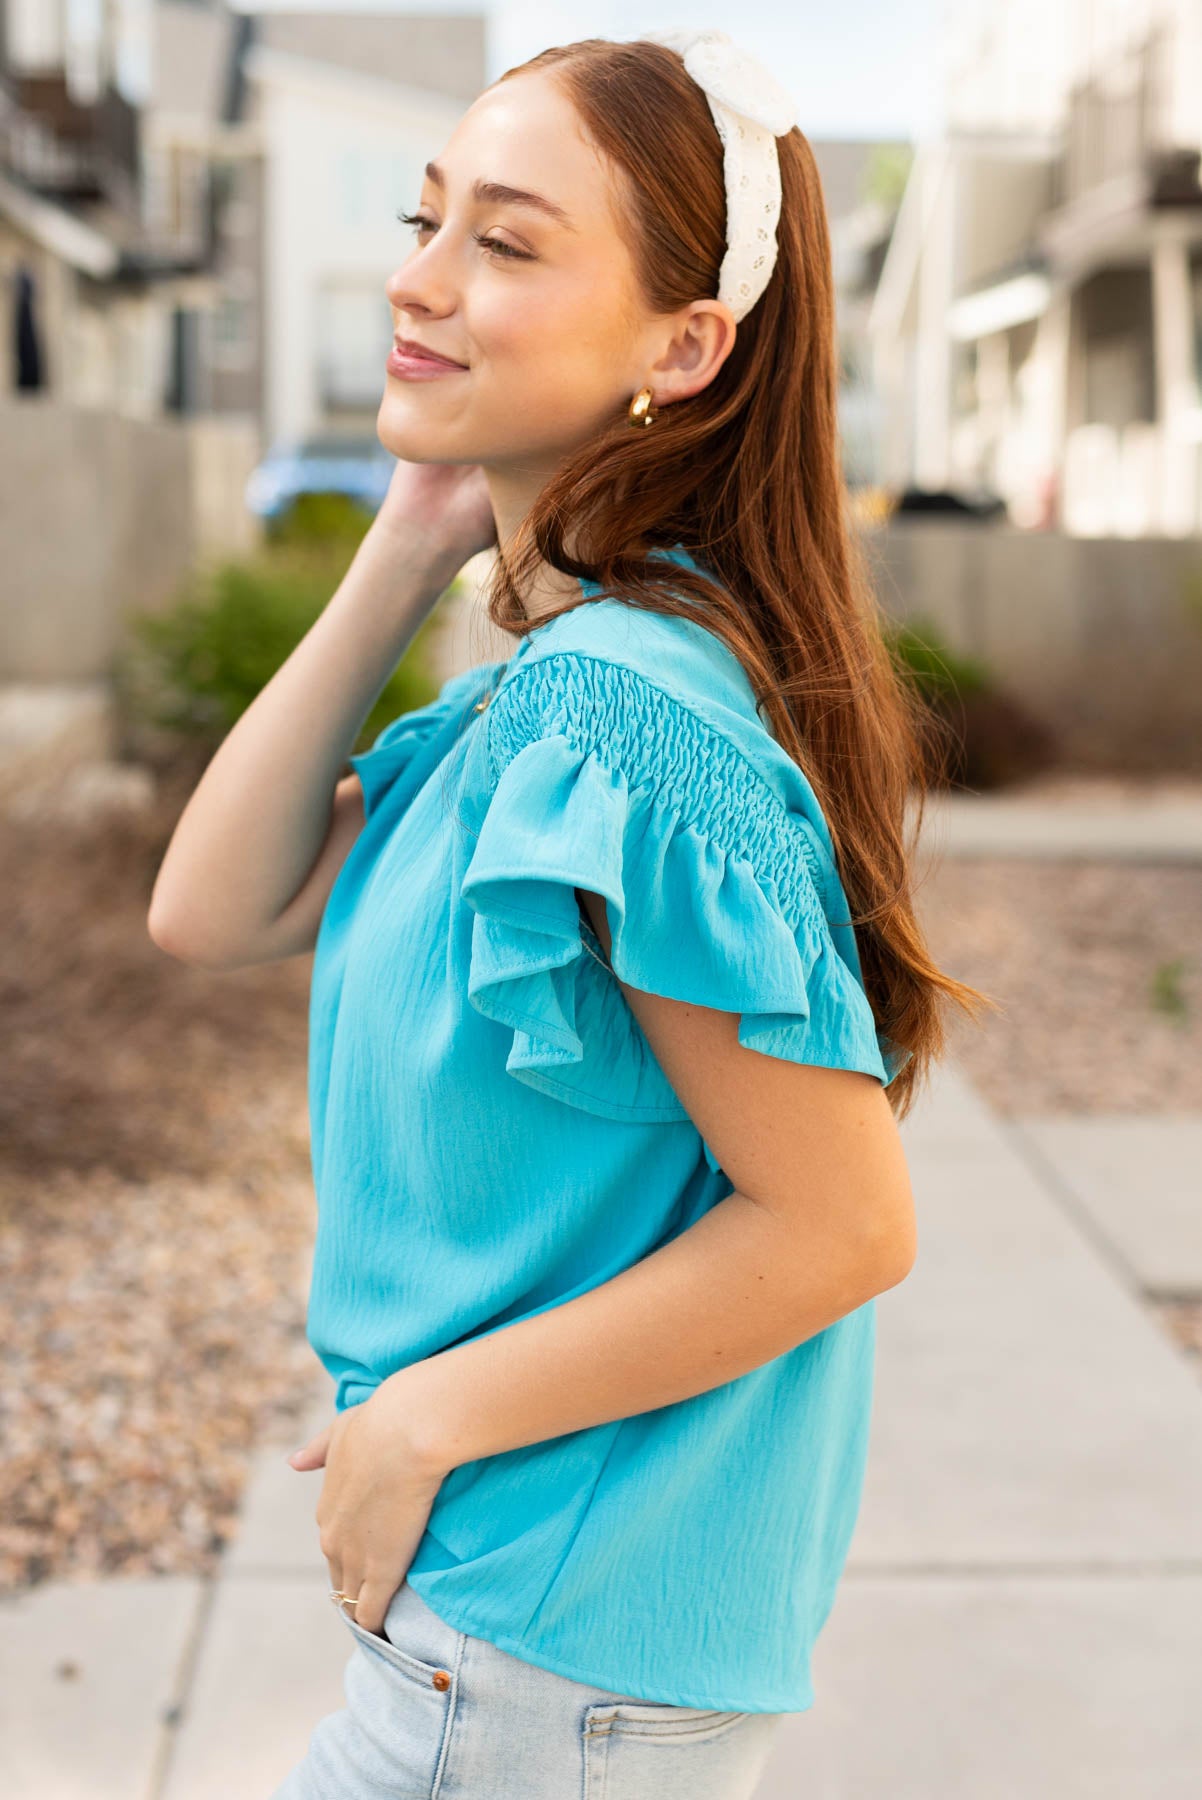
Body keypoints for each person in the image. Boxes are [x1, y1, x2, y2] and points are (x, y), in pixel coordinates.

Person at [149, 28, 991, 1800]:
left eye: (508, 244)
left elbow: (840, 1223)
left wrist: (428, 1418)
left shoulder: (623, 712)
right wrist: (411, 538)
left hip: (535, 1667)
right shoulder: (543, 692)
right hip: (511, 1648)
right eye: (426, 217)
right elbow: (205, 910)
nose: (420, 279)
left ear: (684, 347)